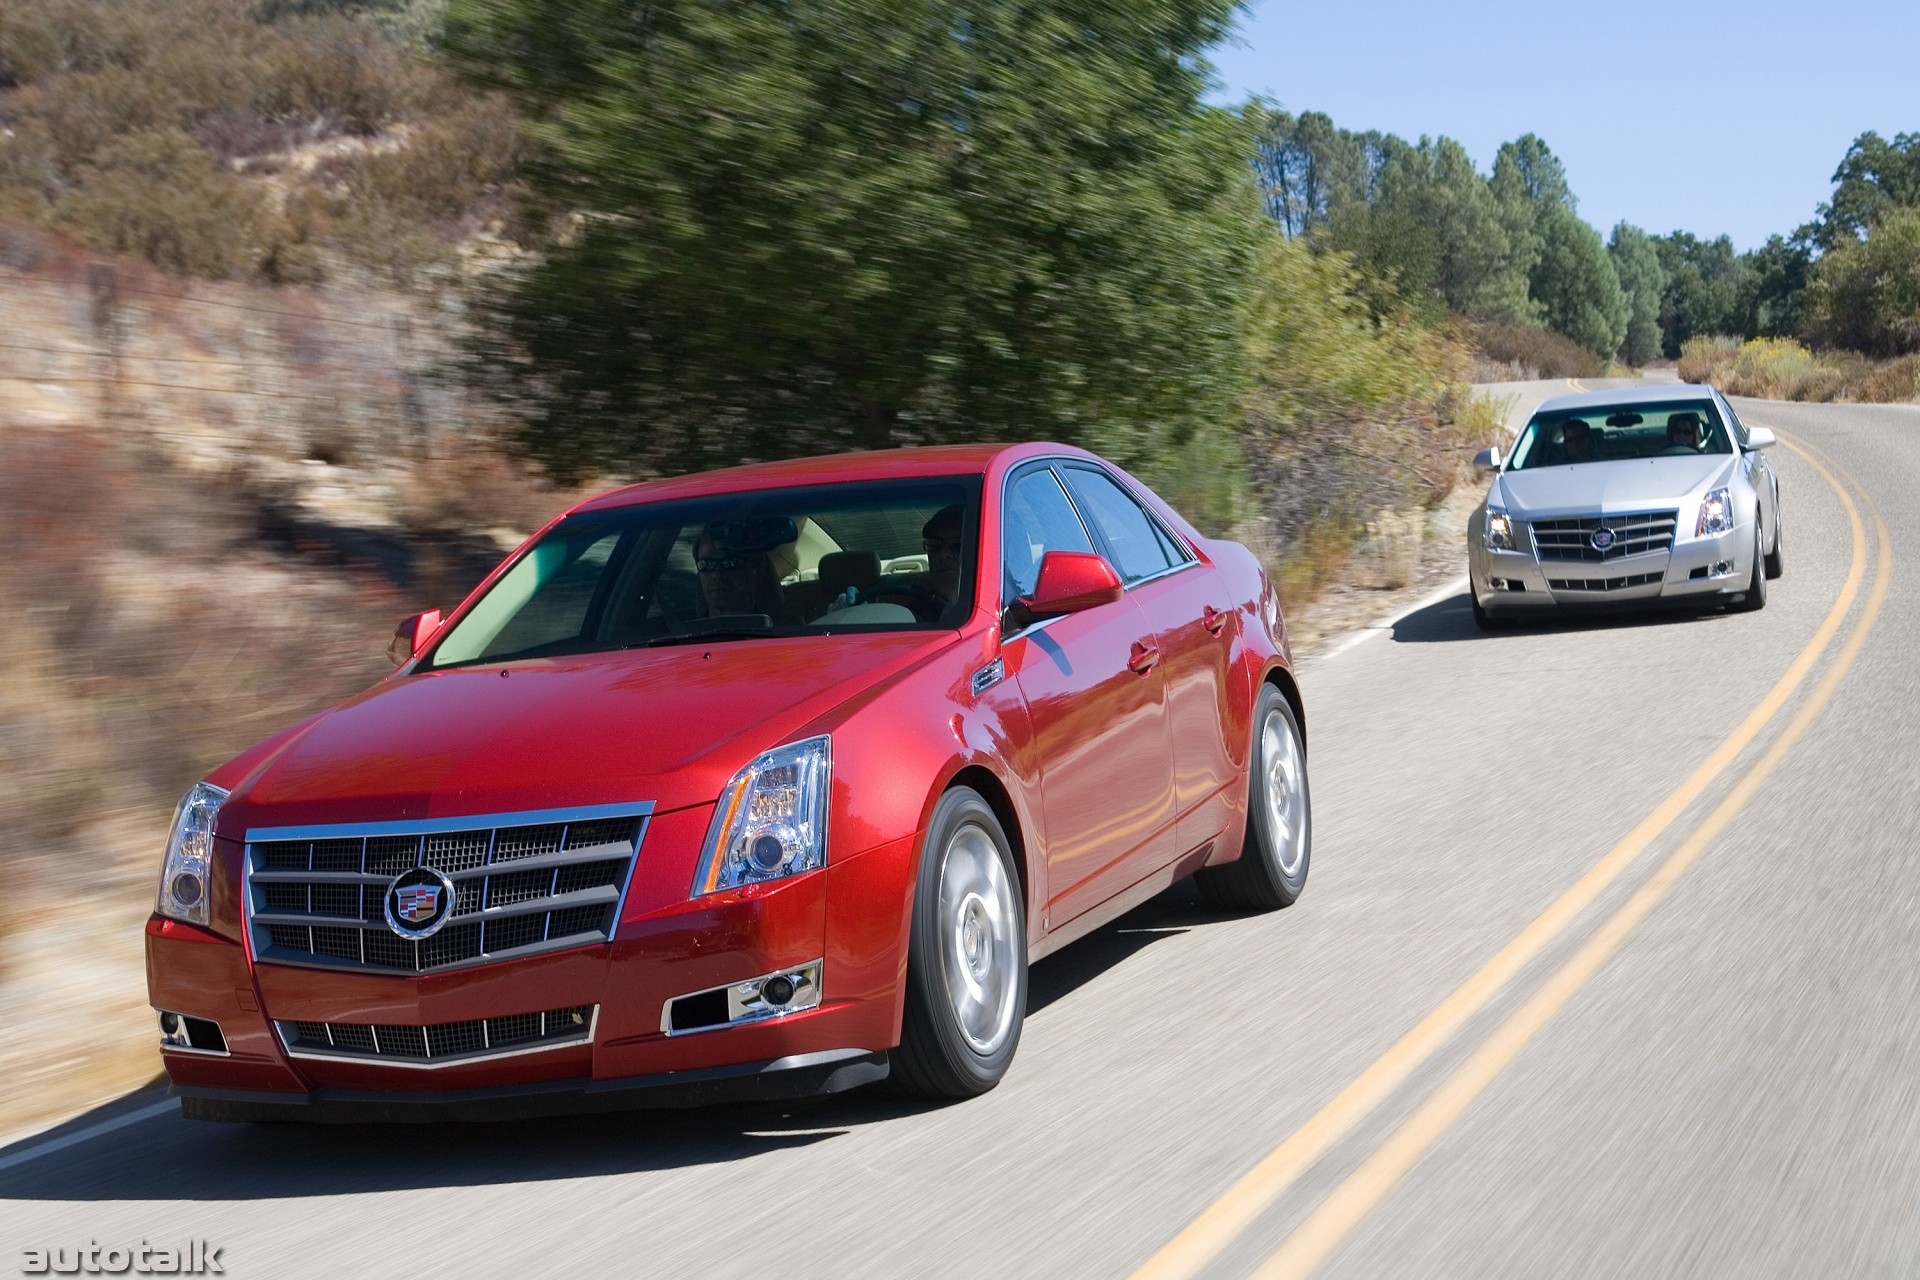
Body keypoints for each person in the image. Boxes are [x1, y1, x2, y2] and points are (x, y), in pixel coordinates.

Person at [694, 523, 795, 621]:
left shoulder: (789, 631)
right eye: (706, 564)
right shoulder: (686, 630)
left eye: (731, 562)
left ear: (756, 569)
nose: (717, 574)